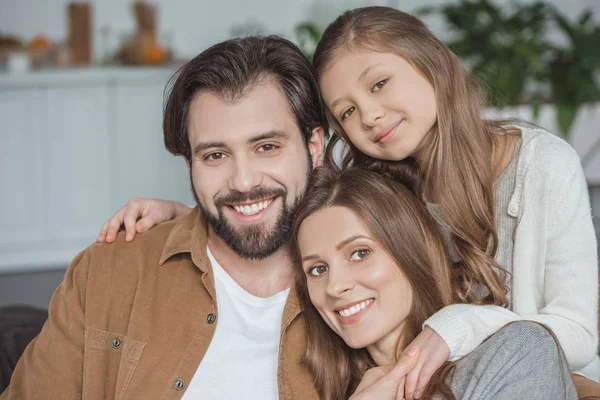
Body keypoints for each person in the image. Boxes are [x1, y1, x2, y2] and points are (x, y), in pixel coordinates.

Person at [98, 6, 599, 398]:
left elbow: (576, 332)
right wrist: (196, 214)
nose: (372, 116)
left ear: (432, 63)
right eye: (348, 111)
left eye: (380, 84)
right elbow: (297, 212)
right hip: (437, 376)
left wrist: (455, 328)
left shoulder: (539, 164)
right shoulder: (380, 182)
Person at [1, 35, 327, 399]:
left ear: (313, 147)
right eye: (215, 155)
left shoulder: (365, 288)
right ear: (190, 164)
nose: (244, 181)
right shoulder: (109, 269)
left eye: (267, 147)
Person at [290, 163, 576, 399]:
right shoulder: (333, 389)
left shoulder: (515, 353)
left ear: (411, 251)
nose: (335, 286)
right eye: (317, 269)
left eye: (360, 253)